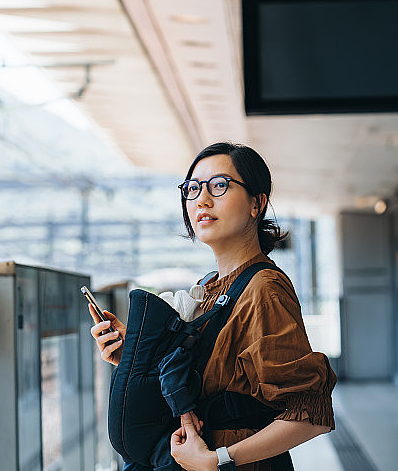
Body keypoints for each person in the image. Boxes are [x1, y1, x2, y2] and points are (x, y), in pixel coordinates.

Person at [90, 142, 337, 471]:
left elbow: (310, 415)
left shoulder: (263, 289)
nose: (202, 199)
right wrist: (130, 356)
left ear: (256, 203)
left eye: (220, 185)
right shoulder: (212, 286)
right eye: (193, 189)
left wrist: (218, 460)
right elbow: (210, 388)